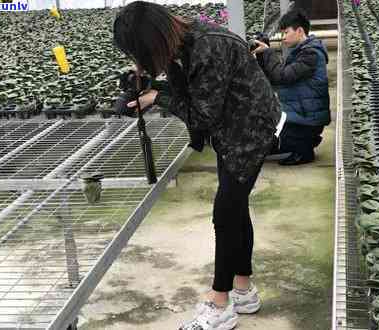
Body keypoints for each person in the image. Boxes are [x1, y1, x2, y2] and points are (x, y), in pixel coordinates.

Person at [113, 2, 284, 329]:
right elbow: (194, 95)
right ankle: (243, 290)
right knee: (235, 209)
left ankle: (221, 303)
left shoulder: (207, 49)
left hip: (249, 130)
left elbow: (203, 116)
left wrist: (154, 98)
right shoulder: (187, 42)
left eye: (139, 52)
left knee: (225, 213)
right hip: (234, 127)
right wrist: (151, 84)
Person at [252, 8, 331, 166]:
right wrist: (262, 55)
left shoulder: (311, 54)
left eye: (286, 32)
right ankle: (301, 143)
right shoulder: (301, 52)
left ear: (300, 30)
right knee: (257, 144)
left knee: (260, 144)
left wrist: (268, 53)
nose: (283, 37)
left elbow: (282, 77)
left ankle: (304, 148)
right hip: (299, 117)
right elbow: (275, 78)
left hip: (306, 121)